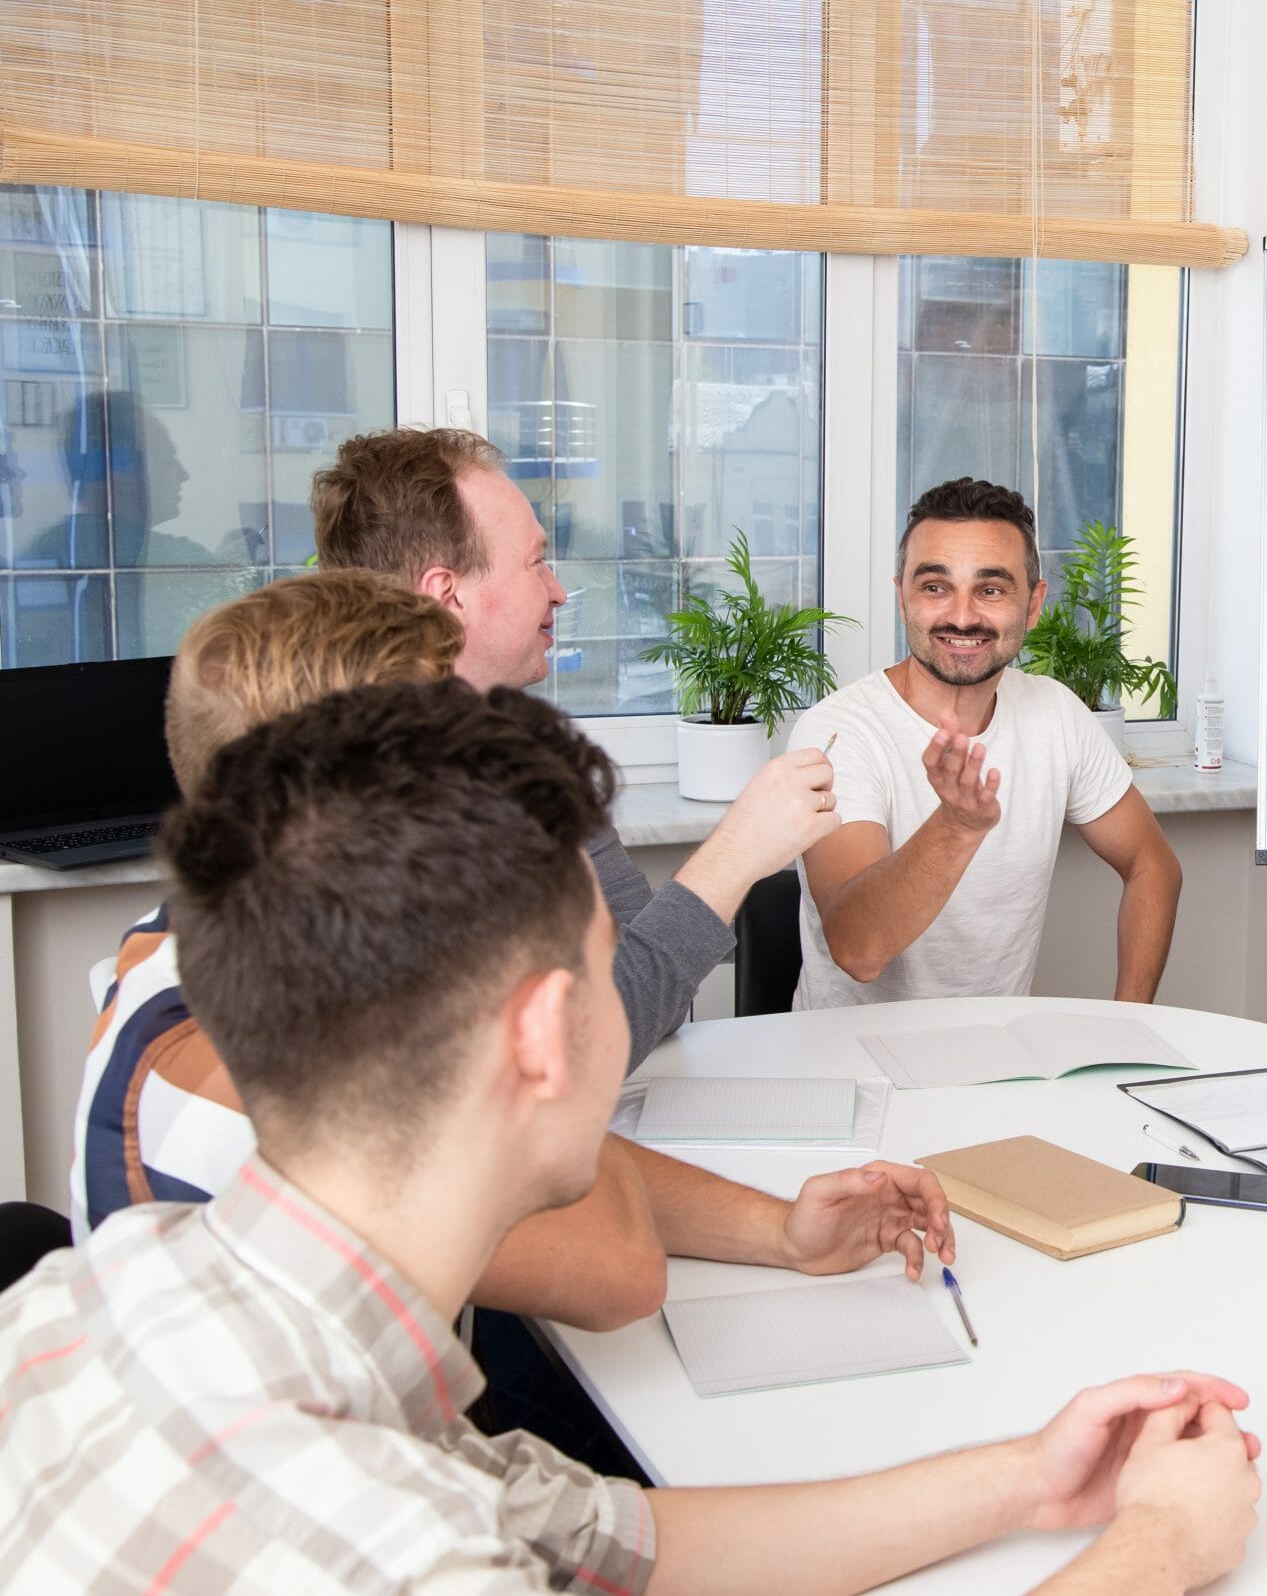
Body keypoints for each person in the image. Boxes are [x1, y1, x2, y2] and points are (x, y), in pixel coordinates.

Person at [2, 679, 1262, 1591]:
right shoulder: (409, 1554)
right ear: (549, 1035)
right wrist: (1152, 1553)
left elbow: (623, 1540)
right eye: (614, 971)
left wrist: (1032, 1478)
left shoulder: (123, 1283)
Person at [76, 572, 955, 1443]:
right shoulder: (252, 1083)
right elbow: (617, 1267)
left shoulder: (210, 947)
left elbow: (515, 1145)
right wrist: (556, 965)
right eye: (452, 742)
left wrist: (781, 1232)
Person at [311, 426, 836, 1064]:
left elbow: (642, 999)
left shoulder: (526, 759)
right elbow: (580, 1044)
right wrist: (735, 855)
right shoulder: (364, 804)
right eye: (534, 561)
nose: (558, 590)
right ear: (447, 596)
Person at [793, 478, 1181, 1006]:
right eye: (934, 587)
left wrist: (1130, 1020)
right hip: (854, 1072)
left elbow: (1152, 865)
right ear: (902, 597)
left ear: (1034, 604)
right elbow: (858, 951)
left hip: (998, 1065)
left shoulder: (1056, 714)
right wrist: (957, 826)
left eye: (991, 589)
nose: (962, 615)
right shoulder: (838, 732)